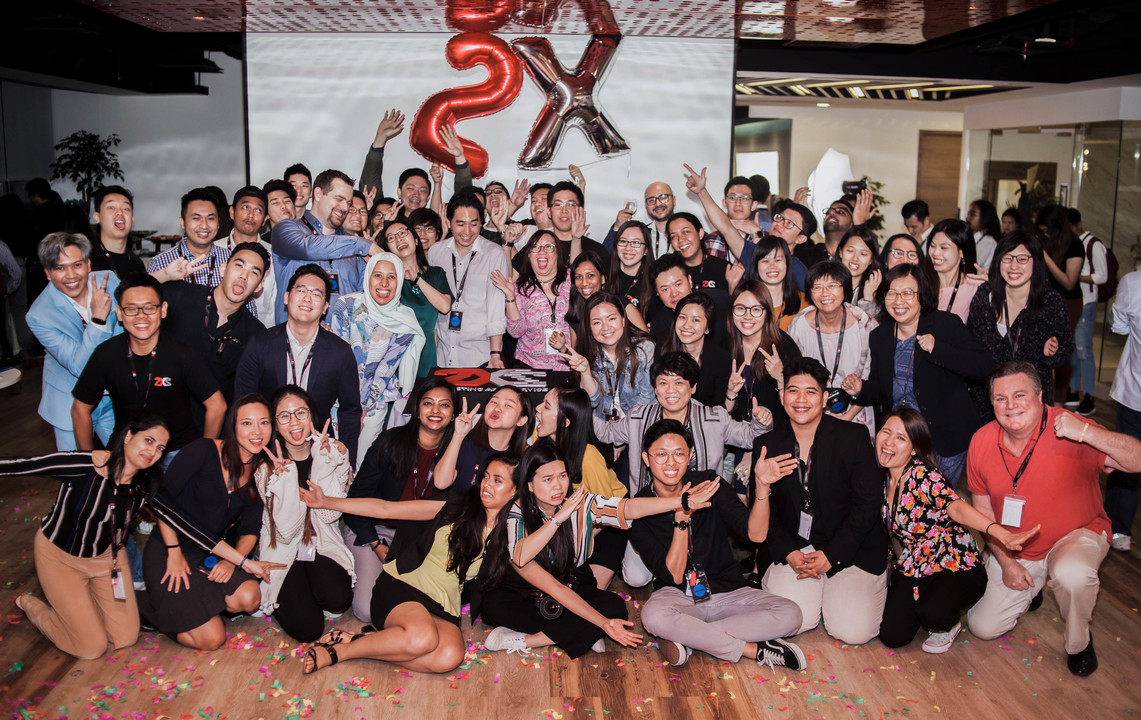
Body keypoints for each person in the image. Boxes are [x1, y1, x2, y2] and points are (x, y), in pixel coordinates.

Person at [0, 414, 277, 658]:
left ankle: (91, 607)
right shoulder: (84, 464)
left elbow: (190, 528)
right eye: (148, 441)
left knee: (125, 637)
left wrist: (244, 563)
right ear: (128, 435)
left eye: (160, 448)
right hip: (61, 557)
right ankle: (33, 607)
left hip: (107, 561)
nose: (152, 452)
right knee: (91, 648)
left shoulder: (145, 484)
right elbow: (23, 464)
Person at [965, 362, 1141, 676]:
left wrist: (1086, 432)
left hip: (1076, 533)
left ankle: (1079, 644)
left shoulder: (1070, 427)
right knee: (983, 626)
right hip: (1018, 544)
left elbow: (1136, 460)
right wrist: (1006, 561)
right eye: (1000, 398)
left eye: (1020, 395)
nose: (1010, 405)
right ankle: (1031, 588)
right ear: (991, 404)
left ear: (1040, 395)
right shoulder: (981, 440)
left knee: (1073, 574)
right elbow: (984, 513)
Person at [480, 440, 719, 657]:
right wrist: (558, 519)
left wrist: (682, 501)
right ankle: (583, 633)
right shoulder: (517, 512)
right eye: (548, 479)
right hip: (525, 590)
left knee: (614, 607)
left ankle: (532, 640)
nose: (558, 486)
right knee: (495, 607)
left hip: (571, 583)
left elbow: (628, 508)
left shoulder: (582, 503)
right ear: (530, 485)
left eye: (562, 476)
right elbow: (522, 558)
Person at [297, 452, 521, 674]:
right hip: (405, 586)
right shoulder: (457, 504)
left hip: (444, 604)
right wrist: (326, 502)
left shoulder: (510, 534)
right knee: (423, 638)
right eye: (486, 476)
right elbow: (386, 508)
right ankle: (340, 652)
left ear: (515, 491)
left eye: (497, 480)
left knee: (449, 656)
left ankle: (369, 641)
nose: (486, 484)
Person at [630, 419, 806, 668]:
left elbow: (755, 535)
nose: (671, 462)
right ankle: (753, 649)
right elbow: (674, 574)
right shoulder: (639, 508)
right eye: (661, 454)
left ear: (690, 456)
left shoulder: (709, 484)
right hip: (678, 596)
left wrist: (762, 486)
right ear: (646, 459)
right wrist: (682, 516)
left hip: (729, 591)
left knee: (791, 614)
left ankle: (691, 637)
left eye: (679, 453)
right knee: (653, 617)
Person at [875, 407, 1036, 653]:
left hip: (954, 565)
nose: (889, 442)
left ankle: (947, 623)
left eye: (900, 438)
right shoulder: (882, 477)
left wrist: (999, 532)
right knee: (892, 635)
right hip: (915, 563)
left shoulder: (923, 475)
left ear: (914, 448)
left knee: (933, 612)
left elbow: (956, 507)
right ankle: (927, 603)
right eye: (886, 432)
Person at [753, 357, 888, 645]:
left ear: (825, 398)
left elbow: (868, 503)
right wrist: (788, 551)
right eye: (793, 391)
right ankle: (819, 591)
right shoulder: (766, 446)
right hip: (796, 548)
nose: (801, 400)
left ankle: (846, 588)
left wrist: (833, 555)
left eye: (811, 392)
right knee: (793, 622)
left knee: (852, 631)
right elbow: (765, 513)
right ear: (782, 396)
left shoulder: (853, 437)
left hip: (850, 546)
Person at [139, 396, 282, 650]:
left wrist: (231, 560)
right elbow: (162, 502)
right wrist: (173, 552)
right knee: (212, 640)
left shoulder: (262, 471)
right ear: (233, 426)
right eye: (247, 423)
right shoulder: (203, 450)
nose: (257, 432)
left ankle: (197, 605)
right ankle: (147, 608)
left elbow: (250, 530)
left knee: (250, 598)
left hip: (212, 552)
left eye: (264, 423)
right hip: (170, 548)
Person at [842, 264, 994, 486]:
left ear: (922, 296)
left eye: (907, 293)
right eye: (892, 293)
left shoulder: (945, 325)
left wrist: (938, 349)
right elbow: (881, 390)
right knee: (901, 496)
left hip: (944, 436)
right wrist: (860, 389)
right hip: (900, 438)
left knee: (934, 499)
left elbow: (983, 366)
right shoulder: (880, 336)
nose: (899, 301)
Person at [71, 274, 226, 457]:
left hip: (176, 450)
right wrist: (88, 460)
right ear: (119, 313)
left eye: (149, 308)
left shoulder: (182, 353)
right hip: (126, 449)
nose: (141, 316)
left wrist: (203, 455)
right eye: (131, 309)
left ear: (163, 310)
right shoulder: (106, 353)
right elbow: (79, 409)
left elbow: (217, 405)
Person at [345, 377, 456, 622]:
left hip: (420, 538)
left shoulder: (456, 450)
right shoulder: (390, 442)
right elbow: (356, 498)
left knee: (435, 603)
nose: (436, 410)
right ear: (416, 409)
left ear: (453, 414)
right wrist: (376, 545)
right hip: (374, 530)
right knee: (367, 609)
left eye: (444, 405)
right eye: (428, 403)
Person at [235, 265, 363, 463]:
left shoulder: (341, 352)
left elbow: (350, 411)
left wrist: (346, 463)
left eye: (316, 294)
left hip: (319, 451)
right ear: (286, 297)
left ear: (325, 307)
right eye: (301, 291)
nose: (307, 298)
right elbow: (243, 402)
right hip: (268, 450)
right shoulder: (259, 345)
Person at [593, 352, 772, 494]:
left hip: (703, 511)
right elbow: (605, 432)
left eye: (679, 382)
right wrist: (580, 408)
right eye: (663, 383)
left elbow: (750, 438)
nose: (671, 390)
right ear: (655, 388)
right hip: (650, 512)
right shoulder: (638, 418)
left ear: (693, 387)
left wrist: (762, 421)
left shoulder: (714, 418)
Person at [255, 386, 354, 642]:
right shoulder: (266, 469)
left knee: (338, 599)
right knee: (308, 630)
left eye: (301, 412)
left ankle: (309, 589)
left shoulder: (333, 453)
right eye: (284, 416)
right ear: (275, 424)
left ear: (312, 415)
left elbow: (330, 517)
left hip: (320, 541)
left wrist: (327, 462)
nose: (294, 422)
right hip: (283, 548)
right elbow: (286, 532)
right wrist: (285, 482)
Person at [330, 253, 425, 465]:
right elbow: (337, 359)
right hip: (339, 401)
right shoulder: (346, 306)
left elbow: (385, 370)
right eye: (378, 275)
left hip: (374, 403)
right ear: (368, 277)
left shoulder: (404, 320)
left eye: (391, 277)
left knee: (363, 465)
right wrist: (351, 409)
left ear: (399, 281)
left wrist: (363, 409)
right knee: (335, 464)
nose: (384, 283)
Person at [27, 232, 120, 450]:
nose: (71, 275)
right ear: (47, 273)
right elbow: (80, 366)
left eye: (77, 265)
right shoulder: (39, 314)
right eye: (60, 268)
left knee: (124, 461)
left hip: (113, 397)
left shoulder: (108, 280)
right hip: (69, 401)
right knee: (77, 467)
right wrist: (98, 321)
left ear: (88, 264)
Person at [966, 231, 1073, 412]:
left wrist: (1053, 350)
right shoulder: (984, 296)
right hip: (986, 399)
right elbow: (971, 344)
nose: (1014, 266)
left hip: (1028, 402)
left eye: (1022, 259)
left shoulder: (1050, 301)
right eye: (1007, 259)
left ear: (1036, 262)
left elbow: (1065, 348)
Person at [161, 243, 269, 402]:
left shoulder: (256, 335)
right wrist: (164, 275)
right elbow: (131, 296)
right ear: (223, 269)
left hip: (214, 414)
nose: (244, 276)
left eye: (254, 272)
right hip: (163, 407)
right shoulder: (181, 295)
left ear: (259, 286)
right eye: (239, 265)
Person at [271, 169, 380, 322]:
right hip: (295, 336)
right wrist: (364, 245)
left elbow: (363, 302)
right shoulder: (286, 229)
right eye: (339, 199)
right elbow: (307, 247)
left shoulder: (354, 247)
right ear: (318, 194)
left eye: (348, 203)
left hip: (342, 336)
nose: (345, 208)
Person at [786, 261, 876, 436]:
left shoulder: (865, 324)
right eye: (817, 287)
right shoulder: (798, 326)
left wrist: (848, 416)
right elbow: (795, 375)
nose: (825, 293)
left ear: (845, 289)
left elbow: (872, 378)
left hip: (856, 413)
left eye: (832, 286)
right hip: (810, 414)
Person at [427, 192, 510, 368]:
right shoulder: (436, 252)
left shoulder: (494, 254)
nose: (467, 231)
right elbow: (431, 306)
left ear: (481, 223)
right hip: (442, 355)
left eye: (473, 224)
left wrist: (495, 354)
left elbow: (496, 308)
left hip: (479, 357)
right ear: (448, 222)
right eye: (460, 224)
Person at [562, 293, 655, 420]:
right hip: (602, 425)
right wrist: (585, 371)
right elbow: (592, 402)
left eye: (611, 319)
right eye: (597, 322)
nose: (605, 327)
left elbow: (647, 399)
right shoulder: (589, 352)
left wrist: (626, 428)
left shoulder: (644, 348)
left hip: (637, 423)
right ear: (589, 327)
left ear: (623, 320)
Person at [492, 230, 572, 371]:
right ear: (529, 255)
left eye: (548, 246)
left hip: (568, 364)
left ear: (558, 253)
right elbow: (516, 332)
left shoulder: (572, 280)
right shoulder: (520, 288)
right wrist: (510, 297)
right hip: (529, 365)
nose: (542, 250)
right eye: (535, 247)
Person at [726, 279, 801, 427]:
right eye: (740, 308)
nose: (747, 316)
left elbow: (800, 405)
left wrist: (781, 378)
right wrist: (730, 393)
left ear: (767, 312)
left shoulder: (785, 347)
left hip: (777, 433)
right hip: (734, 433)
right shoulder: (724, 346)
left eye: (756, 309)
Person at [382, 219, 452, 378]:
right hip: (398, 350)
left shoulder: (435, 274)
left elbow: (444, 306)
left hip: (428, 351)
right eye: (391, 238)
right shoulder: (390, 280)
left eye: (402, 233)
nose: (399, 239)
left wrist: (416, 278)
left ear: (415, 240)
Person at [434, 385, 533, 492]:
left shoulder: (525, 456)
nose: (497, 408)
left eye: (508, 405)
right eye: (494, 402)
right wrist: (458, 435)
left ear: (521, 420)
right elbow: (440, 483)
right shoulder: (465, 442)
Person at [1107, 267, 1141, 552]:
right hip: (1132, 394)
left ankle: (1119, 529)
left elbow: (1119, 327)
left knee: (1126, 460)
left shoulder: (1133, 283)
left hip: (1134, 393)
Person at [1064, 208, 1108, 416]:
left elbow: (1102, 276)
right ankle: (1073, 391)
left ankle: (1089, 395)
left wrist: (1074, 276)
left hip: (1087, 301)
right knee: (1072, 348)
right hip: (1072, 301)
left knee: (1084, 350)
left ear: (1077, 225)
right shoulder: (1070, 243)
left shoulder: (1093, 244)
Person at [214, 186, 274, 324]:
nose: (251, 215)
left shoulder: (274, 254)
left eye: (258, 210)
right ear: (232, 212)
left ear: (265, 219)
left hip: (261, 332)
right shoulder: (214, 251)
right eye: (245, 207)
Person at [148, 188, 230, 288]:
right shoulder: (160, 263)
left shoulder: (230, 259)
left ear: (218, 223)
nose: (204, 225)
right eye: (196, 218)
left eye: (211, 218)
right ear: (182, 222)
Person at [663, 292, 731, 408]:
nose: (686, 325)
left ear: (707, 328)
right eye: (682, 317)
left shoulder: (721, 359)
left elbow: (719, 407)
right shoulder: (662, 352)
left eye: (696, 320)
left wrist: (731, 392)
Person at [646, 253, 730, 346]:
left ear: (690, 280)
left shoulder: (719, 303)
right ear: (657, 293)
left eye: (678, 284)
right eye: (665, 289)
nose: (674, 294)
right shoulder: (659, 325)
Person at [928, 218, 983, 323]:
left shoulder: (975, 287)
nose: (935, 253)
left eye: (944, 248)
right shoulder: (920, 284)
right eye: (932, 246)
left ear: (961, 252)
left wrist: (996, 284)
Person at [603, 182, 675, 259]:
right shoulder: (641, 234)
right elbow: (604, 258)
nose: (658, 204)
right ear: (646, 205)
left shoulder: (684, 234)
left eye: (663, 197)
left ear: (674, 200)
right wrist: (617, 227)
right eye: (651, 200)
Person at [745, 235, 802, 331]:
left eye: (778, 260)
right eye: (765, 261)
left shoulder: (803, 303)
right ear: (756, 266)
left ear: (788, 264)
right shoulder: (744, 302)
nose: (772, 266)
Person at [88, 186, 145, 280]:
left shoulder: (137, 263)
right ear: (97, 217)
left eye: (126, 209)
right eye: (111, 207)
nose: (119, 212)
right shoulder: (87, 258)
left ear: (132, 220)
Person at [666, 212, 730, 291]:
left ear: (700, 234)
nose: (680, 239)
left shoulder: (723, 269)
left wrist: (732, 285)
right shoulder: (668, 270)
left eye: (685, 232)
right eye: (674, 236)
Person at [608, 220, 656, 321]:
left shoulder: (654, 280)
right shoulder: (604, 269)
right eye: (623, 241)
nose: (628, 248)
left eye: (636, 242)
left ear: (646, 249)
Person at [837, 227, 882, 316]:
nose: (855, 258)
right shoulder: (825, 283)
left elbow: (870, 324)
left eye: (863, 254)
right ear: (840, 252)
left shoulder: (879, 292)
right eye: (850, 251)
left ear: (871, 260)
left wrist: (868, 300)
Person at [966, 199, 1001, 270]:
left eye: (972, 215)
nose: (967, 218)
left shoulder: (988, 241)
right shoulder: (972, 238)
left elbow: (971, 264)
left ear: (985, 217)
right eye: (968, 214)